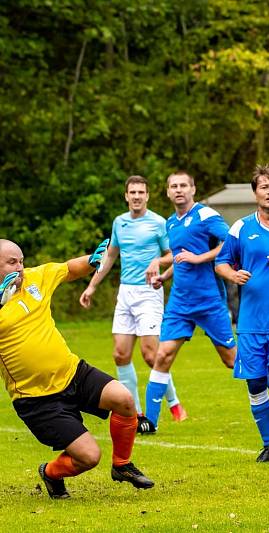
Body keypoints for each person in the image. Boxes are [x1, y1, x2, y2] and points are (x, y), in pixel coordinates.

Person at [0, 238, 154, 499]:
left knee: (124, 399)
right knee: (89, 457)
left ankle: (122, 465)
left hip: (73, 373)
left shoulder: (36, 278)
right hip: (36, 399)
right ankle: (50, 473)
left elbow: (70, 269)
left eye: (22, 261)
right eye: (12, 262)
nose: (21, 268)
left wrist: (92, 261)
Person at [79, 175, 184, 434]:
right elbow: (110, 255)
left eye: (141, 192)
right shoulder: (120, 223)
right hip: (125, 293)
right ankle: (137, 413)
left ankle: (174, 403)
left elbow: (173, 255)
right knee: (120, 354)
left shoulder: (159, 223)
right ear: (126, 196)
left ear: (148, 196)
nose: (137, 196)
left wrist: (157, 264)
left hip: (149, 293)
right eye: (132, 192)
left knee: (151, 355)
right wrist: (92, 286)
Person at [215, 165, 269, 463]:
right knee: (254, 383)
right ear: (255, 193)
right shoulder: (240, 227)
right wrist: (232, 275)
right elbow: (221, 262)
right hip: (250, 320)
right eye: (264, 187)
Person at [142, 171, 236, 432]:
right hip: (180, 304)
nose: (179, 189)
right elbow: (179, 256)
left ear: (193, 189)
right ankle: (150, 422)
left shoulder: (206, 215)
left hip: (209, 301)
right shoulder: (171, 223)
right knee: (163, 355)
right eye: (174, 186)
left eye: (184, 185)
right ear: (168, 192)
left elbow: (230, 243)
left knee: (231, 360)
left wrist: (199, 258)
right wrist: (165, 276)